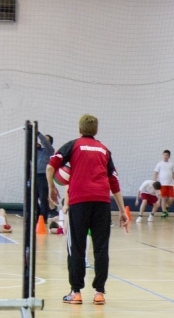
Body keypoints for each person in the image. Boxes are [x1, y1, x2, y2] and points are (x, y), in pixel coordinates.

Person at [47, 114, 130, 305]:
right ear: (96, 130)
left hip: (80, 202)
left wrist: (51, 188)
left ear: (79, 128)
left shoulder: (73, 145)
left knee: (77, 246)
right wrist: (122, 211)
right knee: (101, 248)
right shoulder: (104, 150)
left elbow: (51, 167)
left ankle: (76, 292)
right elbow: (114, 182)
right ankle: (99, 292)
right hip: (102, 202)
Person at [36, 132, 54, 222]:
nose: (43, 140)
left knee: (43, 198)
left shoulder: (50, 150)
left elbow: (45, 143)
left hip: (43, 176)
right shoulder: (38, 150)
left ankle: (43, 218)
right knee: (32, 198)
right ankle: (37, 216)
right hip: (34, 176)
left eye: (46, 139)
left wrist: (38, 133)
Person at [153, 150, 174, 217]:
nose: (165, 156)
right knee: (163, 198)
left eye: (167, 155)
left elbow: (173, 173)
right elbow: (155, 173)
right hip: (162, 184)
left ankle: (166, 207)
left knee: (171, 198)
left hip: (170, 184)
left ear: (169, 156)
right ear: (162, 155)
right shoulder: (159, 164)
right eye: (164, 155)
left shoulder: (171, 164)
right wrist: (154, 182)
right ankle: (164, 212)